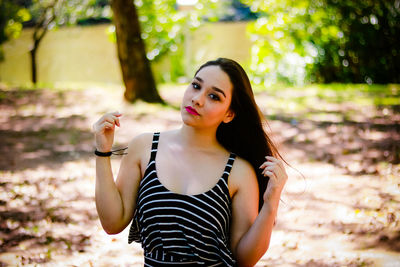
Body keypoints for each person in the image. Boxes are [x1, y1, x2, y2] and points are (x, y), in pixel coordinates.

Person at [93, 58, 288, 266]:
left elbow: (244, 259)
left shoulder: (238, 171)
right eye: (196, 85)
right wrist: (102, 152)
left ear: (229, 114)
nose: (197, 99)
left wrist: (271, 203)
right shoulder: (144, 148)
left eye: (214, 96)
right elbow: (113, 222)